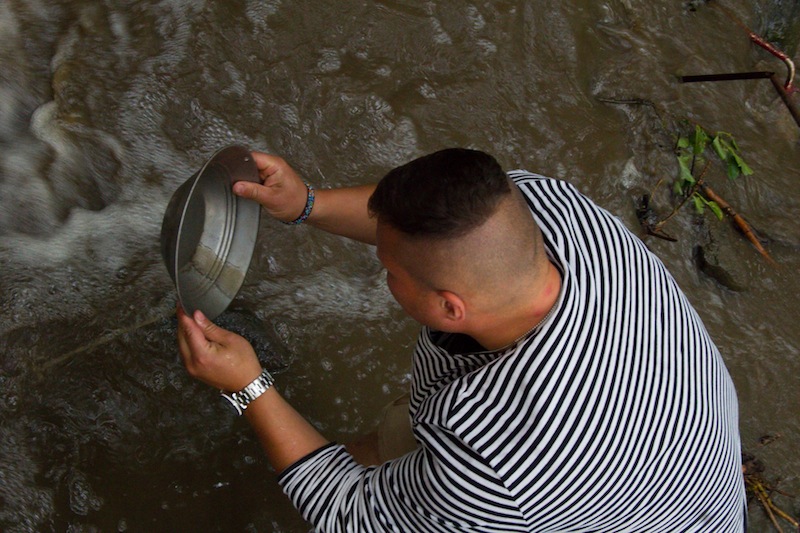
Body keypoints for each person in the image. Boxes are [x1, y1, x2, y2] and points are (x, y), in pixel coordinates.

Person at [177, 148, 746, 532]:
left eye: (390, 271)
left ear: (450, 307)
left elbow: (350, 513)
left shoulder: (496, 454)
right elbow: (427, 225)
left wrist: (250, 388)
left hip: (621, 508)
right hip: (676, 446)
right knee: (387, 456)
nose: (382, 269)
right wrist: (306, 203)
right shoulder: (551, 209)